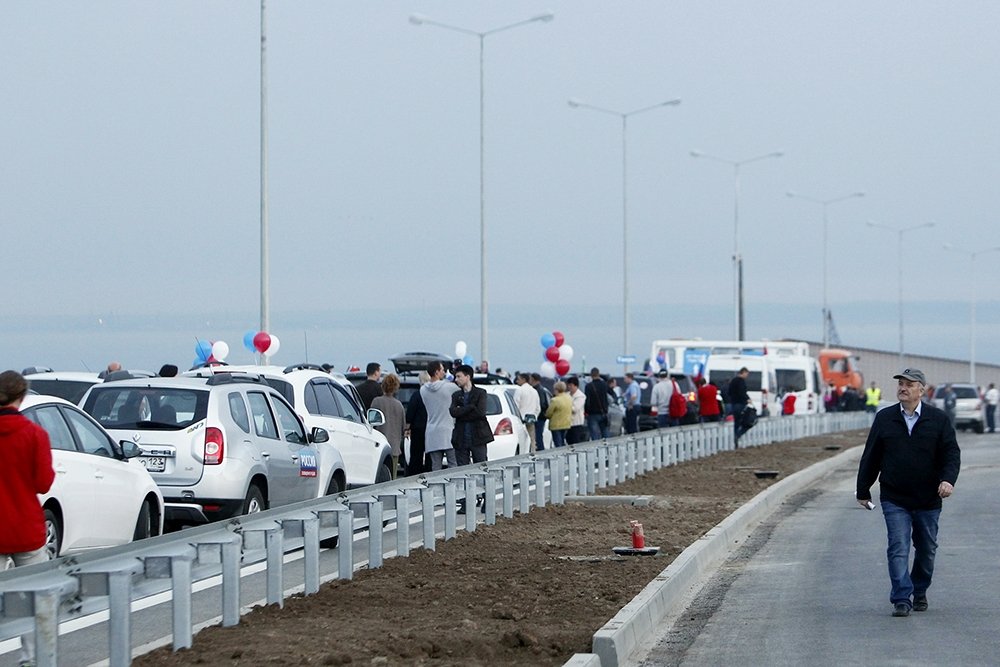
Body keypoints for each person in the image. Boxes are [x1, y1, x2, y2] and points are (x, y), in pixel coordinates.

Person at [856, 368, 960, 618]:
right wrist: (863, 489)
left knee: (926, 548)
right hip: (895, 496)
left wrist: (948, 480)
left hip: (928, 498)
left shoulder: (938, 419)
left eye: (909, 384)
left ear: (922, 390)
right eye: (901, 384)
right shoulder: (885, 418)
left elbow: (951, 454)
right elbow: (872, 455)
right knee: (898, 546)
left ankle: (920, 589)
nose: (903, 388)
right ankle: (902, 597)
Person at [0, 370, 56, 667]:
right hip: (25, 526)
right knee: (38, 597)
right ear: (22, 398)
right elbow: (43, 483)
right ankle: (33, 659)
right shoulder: (35, 434)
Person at [420, 360, 459, 471]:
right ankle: (453, 487)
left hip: (432, 431)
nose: (444, 372)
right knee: (453, 465)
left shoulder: (423, 390)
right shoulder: (449, 387)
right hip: (448, 430)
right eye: (442, 370)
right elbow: (460, 389)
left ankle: (436, 488)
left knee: (436, 467)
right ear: (437, 372)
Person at [372, 373, 405, 478]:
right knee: (392, 476)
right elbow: (402, 427)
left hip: (379, 446)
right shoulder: (399, 405)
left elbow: (371, 422)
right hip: (394, 447)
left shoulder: (376, 402)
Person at [404, 371, 431, 475]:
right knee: (430, 455)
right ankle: (429, 474)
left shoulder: (417, 395)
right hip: (431, 428)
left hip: (418, 429)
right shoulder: (433, 395)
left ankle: (415, 476)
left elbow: (410, 413)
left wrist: (407, 428)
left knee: (416, 455)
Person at [514, 372, 540, 453]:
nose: (517, 381)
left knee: (522, 442)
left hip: (520, 420)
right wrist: (535, 416)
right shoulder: (534, 391)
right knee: (532, 440)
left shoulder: (520, 390)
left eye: (518, 379)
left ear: (524, 380)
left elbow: (515, 405)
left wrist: (517, 417)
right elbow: (538, 408)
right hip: (531, 419)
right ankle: (532, 456)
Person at [583, 368, 611, 440]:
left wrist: (586, 411)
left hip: (593, 414)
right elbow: (610, 396)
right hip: (604, 412)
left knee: (594, 434)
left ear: (591, 375)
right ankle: (607, 448)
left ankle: (596, 448)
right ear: (598, 374)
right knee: (605, 432)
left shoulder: (588, 386)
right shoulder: (604, 384)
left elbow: (587, 400)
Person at [728, 367, 751, 445]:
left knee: (736, 422)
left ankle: (736, 438)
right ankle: (738, 435)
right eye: (747, 374)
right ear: (743, 372)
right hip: (740, 404)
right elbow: (742, 393)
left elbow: (729, 392)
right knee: (747, 421)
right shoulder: (741, 382)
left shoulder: (733, 381)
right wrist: (747, 399)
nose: (747, 376)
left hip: (734, 404)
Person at [545, 381, 572, 448]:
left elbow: (549, 413)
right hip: (566, 423)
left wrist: (546, 415)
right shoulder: (569, 398)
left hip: (556, 425)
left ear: (557, 389)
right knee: (562, 442)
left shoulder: (555, 400)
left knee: (558, 443)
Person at [530, 373, 551, 451]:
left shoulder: (538, 390)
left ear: (534, 380)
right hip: (541, 416)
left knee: (538, 435)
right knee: (538, 435)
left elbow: (542, 404)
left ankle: (540, 450)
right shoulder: (542, 389)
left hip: (540, 416)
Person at [565, 376, 588, 444]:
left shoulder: (581, 396)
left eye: (571, 385)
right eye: (568, 385)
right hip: (567, 423)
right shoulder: (567, 395)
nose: (569, 387)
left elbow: (575, 409)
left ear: (576, 386)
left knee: (575, 442)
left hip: (576, 423)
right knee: (568, 441)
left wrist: (565, 407)